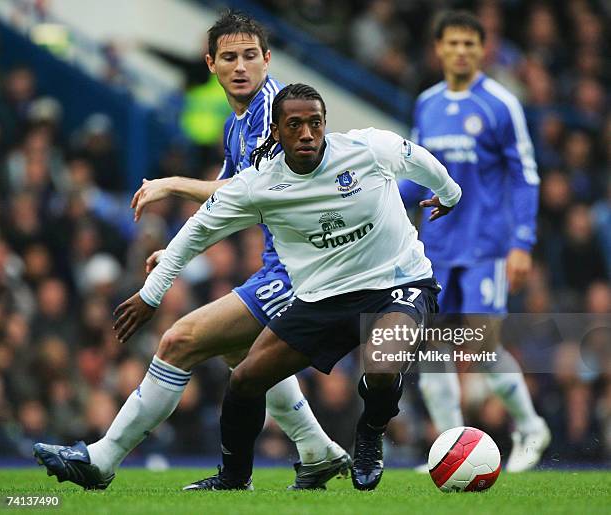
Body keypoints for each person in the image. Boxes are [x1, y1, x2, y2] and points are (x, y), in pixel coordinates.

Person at [33, 11, 348, 491]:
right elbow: (229, 193)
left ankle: (101, 459)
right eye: (229, 57)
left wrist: (173, 186)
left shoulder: (276, 113)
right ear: (210, 64)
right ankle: (317, 450)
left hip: (305, 266)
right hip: (281, 263)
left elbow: (243, 195)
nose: (240, 66)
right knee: (240, 353)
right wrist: (178, 252)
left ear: (266, 59)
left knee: (179, 341)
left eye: (249, 56)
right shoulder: (236, 124)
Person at [111, 83, 461, 491]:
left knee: (382, 364)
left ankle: (370, 433)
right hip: (322, 298)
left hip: (398, 284)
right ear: (275, 131)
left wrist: (449, 194)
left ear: (326, 124)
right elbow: (199, 230)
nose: (308, 134)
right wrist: (151, 294)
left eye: (315, 123)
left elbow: (419, 160)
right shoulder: (260, 185)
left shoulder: (367, 149)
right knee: (244, 379)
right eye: (295, 125)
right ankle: (234, 479)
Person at [400, 10, 550, 472]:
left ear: (482, 49)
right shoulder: (427, 103)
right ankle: (450, 447)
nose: (461, 51)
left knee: (481, 347)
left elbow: (525, 175)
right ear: (439, 49)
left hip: (486, 246)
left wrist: (522, 243)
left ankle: (530, 427)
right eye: (453, 43)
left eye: (470, 43)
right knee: (432, 347)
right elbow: (416, 177)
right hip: (437, 248)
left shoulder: (500, 104)